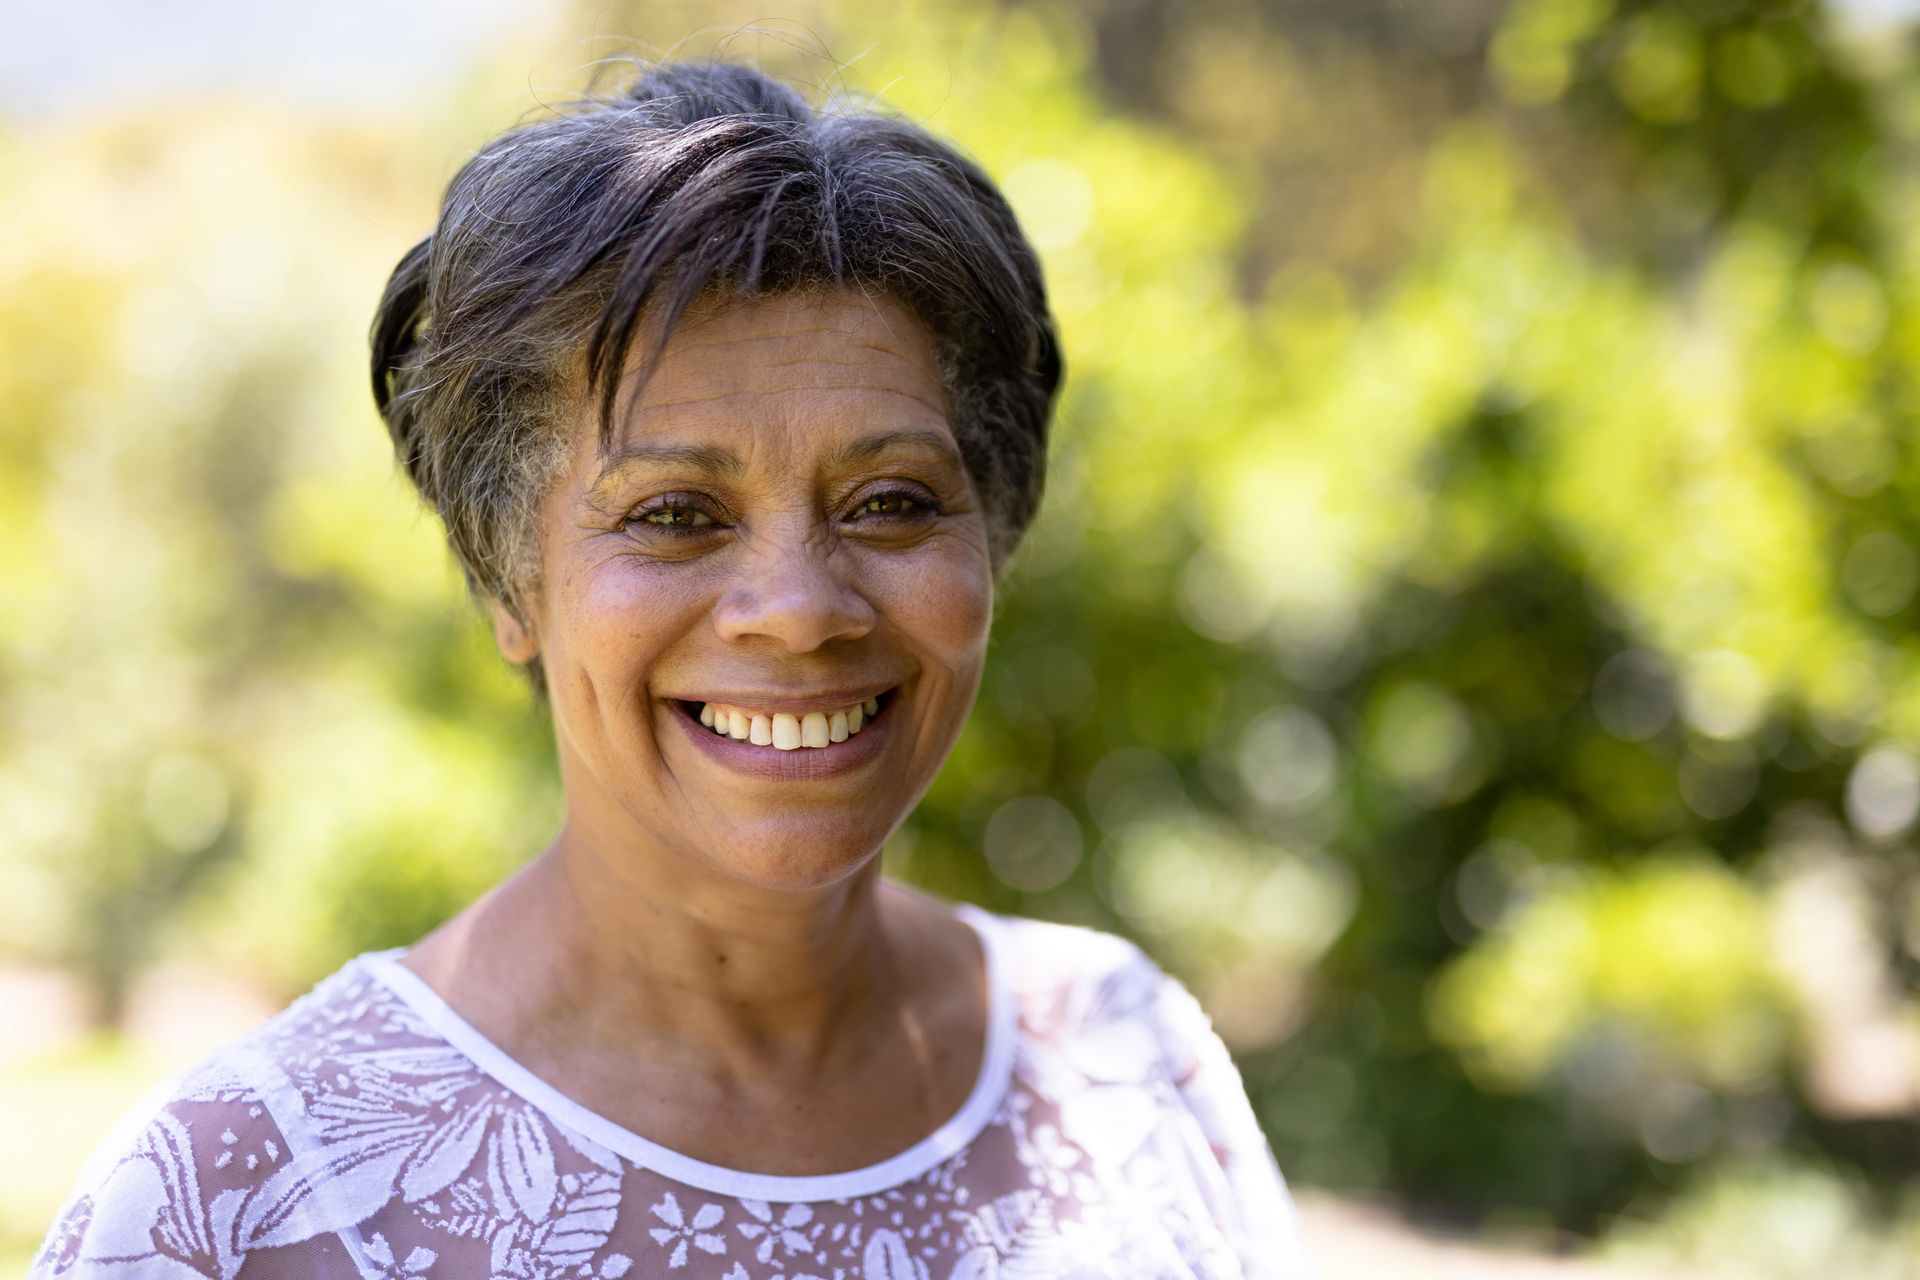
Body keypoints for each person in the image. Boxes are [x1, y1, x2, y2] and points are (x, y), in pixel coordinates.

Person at [30, 60, 1312, 1279]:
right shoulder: (244, 1205)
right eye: (673, 513)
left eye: (890, 500)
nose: (800, 611)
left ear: (995, 536)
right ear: (506, 578)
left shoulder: (1125, 1061)